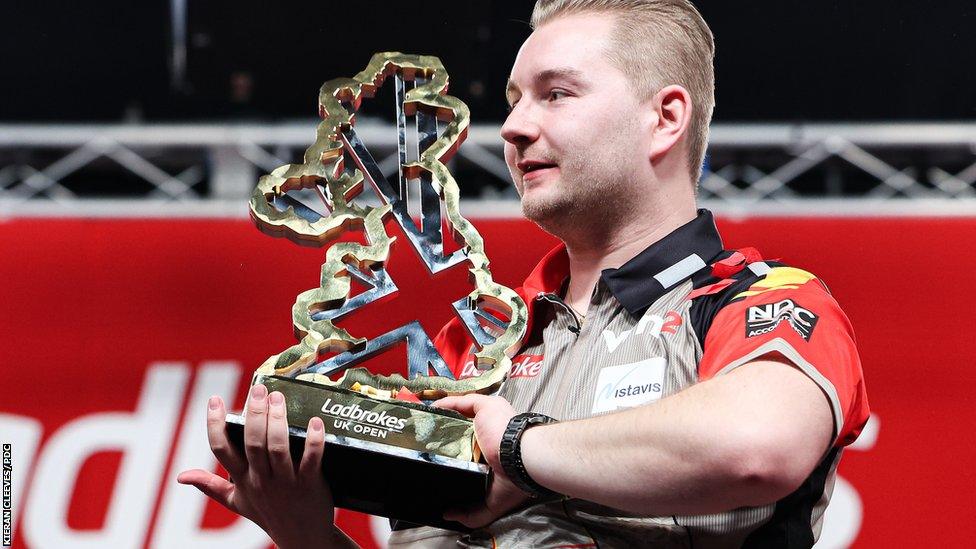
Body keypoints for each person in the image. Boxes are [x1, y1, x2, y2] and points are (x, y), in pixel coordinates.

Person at [178, 1, 870, 547]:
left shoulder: (753, 299)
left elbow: (756, 446)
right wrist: (309, 537)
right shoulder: (472, 342)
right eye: (513, 98)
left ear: (664, 118)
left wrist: (518, 447)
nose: (512, 126)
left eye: (555, 94)